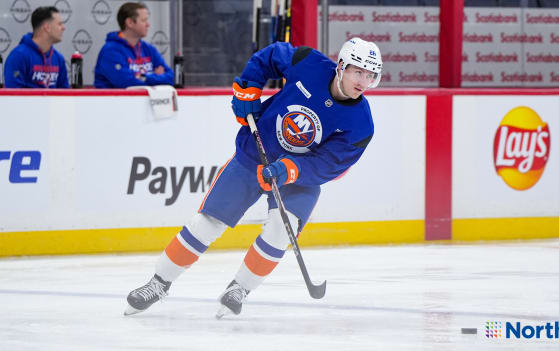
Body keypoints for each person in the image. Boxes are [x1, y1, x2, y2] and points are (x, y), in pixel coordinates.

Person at [124, 37, 383, 318]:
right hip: (254, 155)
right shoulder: (309, 63)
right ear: (341, 66)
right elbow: (270, 56)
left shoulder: (361, 124)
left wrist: (291, 170)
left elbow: (330, 164)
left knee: (280, 230)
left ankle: (239, 289)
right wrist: (248, 91)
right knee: (208, 223)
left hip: (297, 179)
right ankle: (158, 283)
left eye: (370, 75)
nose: (363, 81)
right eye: (358, 71)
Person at [93, 2, 173, 88]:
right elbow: (126, 82)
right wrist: (156, 77)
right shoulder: (110, 51)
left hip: (146, 101)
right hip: (116, 101)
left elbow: (171, 78)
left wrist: (143, 77)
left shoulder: (149, 49)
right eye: (144, 20)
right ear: (130, 22)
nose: (148, 24)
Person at [3, 6, 69, 88]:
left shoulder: (58, 58)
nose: (63, 28)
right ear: (47, 27)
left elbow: (65, 95)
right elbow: (13, 96)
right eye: (59, 24)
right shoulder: (18, 56)